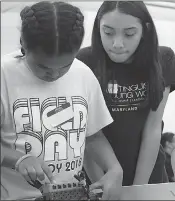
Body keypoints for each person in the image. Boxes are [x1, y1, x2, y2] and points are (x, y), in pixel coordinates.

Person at [1, 1, 123, 200]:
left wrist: (114, 168)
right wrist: (18, 159)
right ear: (23, 43)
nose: (55, 75)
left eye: (65, 65)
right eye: (43, 67)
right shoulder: (4, 75)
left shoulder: (83, 73)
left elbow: (92, 135)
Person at [77, 1, 175, 186]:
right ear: (98, 28)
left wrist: (138, 188)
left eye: (129, 33)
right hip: (97, 175)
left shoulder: (163, 59)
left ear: (145, 30)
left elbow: (153, 128)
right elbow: (86, 134)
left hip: (149, 173)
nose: (117, 44)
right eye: (108, 33)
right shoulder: (83, 61)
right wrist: (102, 185)